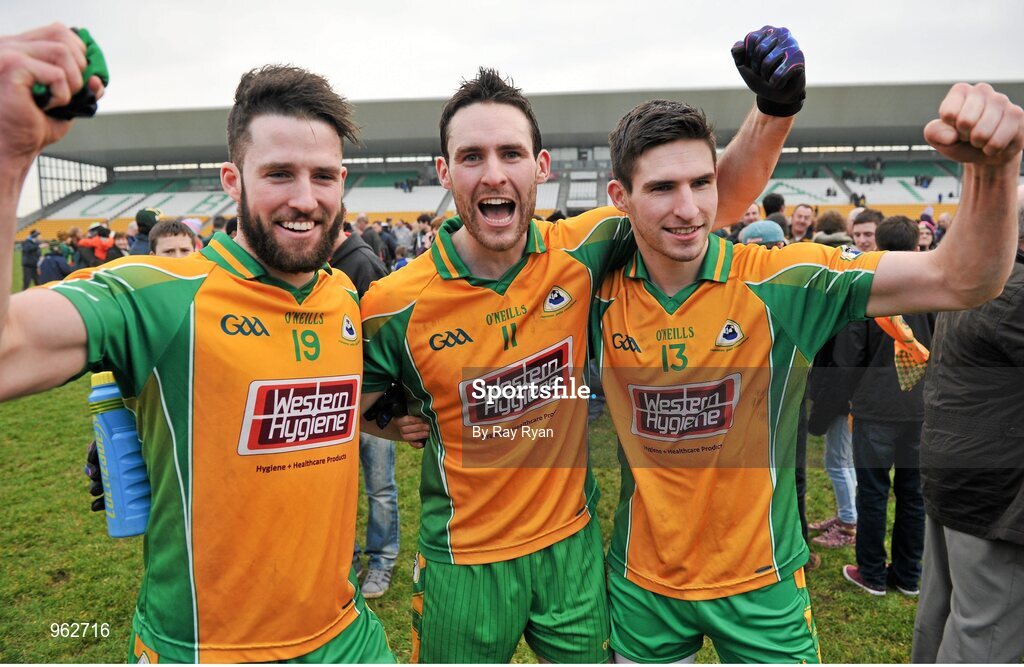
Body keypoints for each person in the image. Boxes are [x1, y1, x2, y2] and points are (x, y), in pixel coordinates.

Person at [361, 25, 805, 663]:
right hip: (463, 561)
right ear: (444, 171)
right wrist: (391, 420)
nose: (494, 173)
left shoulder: (584, 250)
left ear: (539, 167)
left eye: (511, 153)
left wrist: (773, 109)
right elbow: (346, 398)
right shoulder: (391, 303)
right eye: (472, 156)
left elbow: (711, 202)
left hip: (572, 549)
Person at [0, 25, 399, 662]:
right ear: (232, 180)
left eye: (323, 176)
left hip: (348, 637)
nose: (305, 198)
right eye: (279, 174)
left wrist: (395, 416)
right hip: (203, 647)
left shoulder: (344, 298)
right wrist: (9, 152)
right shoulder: (159, 293)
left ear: (342, 181)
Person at [593, 80, 1022, 663]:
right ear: (620, 196)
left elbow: (962, 279)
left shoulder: (785, 279)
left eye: (702, 182)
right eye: (663, 187)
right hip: (642, 585)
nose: (689, 209)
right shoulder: (591, 288)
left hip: (763, 584)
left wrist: (993, 170)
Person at [910, 185, 1024, 663]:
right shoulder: (1013, 291)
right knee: (987, 631)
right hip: (993, 490)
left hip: (954, 469)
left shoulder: (982, 277)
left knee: (941, 610)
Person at [834, 216, 932, 595]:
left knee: (873, 492)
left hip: (876, 407)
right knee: (912, 494)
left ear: (877, 244)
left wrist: (848, 394)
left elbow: (849, 353)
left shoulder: (868, 286)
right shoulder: (934, 286)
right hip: (919, 407)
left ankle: (873, 573)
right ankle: (908, 575)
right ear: (917, 245)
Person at [328, 228, 401, 600]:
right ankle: (350, 559)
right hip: (334, 401)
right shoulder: (311, 265)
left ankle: (382, 560)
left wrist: (389, 403)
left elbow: (389, 339)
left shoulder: (362, 263)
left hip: (373, 402)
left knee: (379, 486)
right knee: (337, 489)